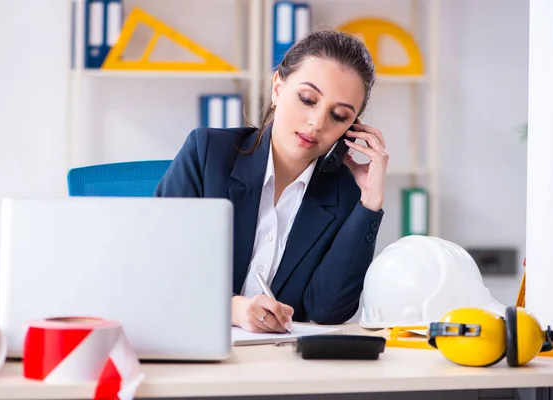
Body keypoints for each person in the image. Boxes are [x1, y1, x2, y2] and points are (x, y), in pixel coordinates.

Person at [154, 29, 389, 333]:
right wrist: (233, 308)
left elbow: (328, 310)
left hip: (280, 365)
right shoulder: (208, 153)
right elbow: (160, 268)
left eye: (339, 116)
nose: (317, 123)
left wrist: (369, 203)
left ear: (351, 129)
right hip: (189, 340)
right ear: (278, 88)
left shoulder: (344, 194)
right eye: (307, 99)